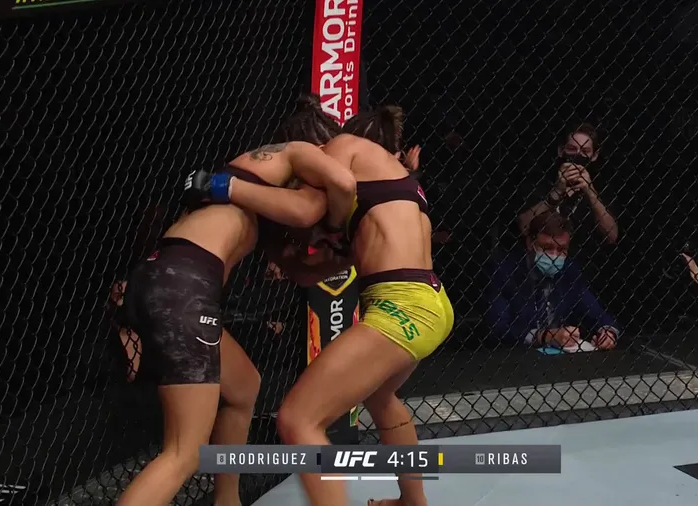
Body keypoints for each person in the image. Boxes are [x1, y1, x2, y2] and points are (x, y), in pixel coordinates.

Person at [213, 105, 454, 506]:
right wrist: (285, 248)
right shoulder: (383, 190)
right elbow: (312, 273)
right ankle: (413, 501)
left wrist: (227, 187)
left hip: (402, 307)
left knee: (298, 419)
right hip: (429, 301)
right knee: (380, 396)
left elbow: (307, 207)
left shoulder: (342, 148)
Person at [116, 105, 355, 505]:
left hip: (169, 280)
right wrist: (336, 222)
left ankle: (227, 501)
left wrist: (347, 253)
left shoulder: (262, 195)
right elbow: (336, 189)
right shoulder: (292, 152)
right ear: (322, 145)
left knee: (244, 386)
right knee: (182, 453)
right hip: (185, 285)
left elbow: (299, 272)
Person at [485, 210, 619, 352]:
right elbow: (498, 329)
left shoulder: (570, 271)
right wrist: (545, 336)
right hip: (514, 355)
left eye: (561, 249)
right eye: (547, 247)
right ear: (530, 243)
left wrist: (607, 332)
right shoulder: (505, 272)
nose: (554, 256)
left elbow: (597, 313)